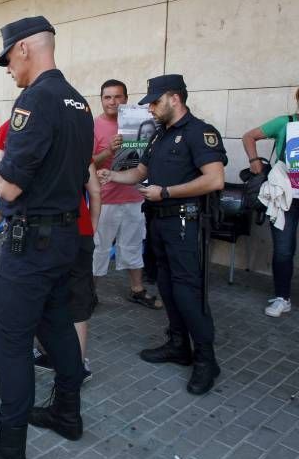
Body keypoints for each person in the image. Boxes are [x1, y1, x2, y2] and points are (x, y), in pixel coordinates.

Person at [0, 16, 94, 459]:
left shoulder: (35, 98)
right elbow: (58, 165)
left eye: (8, 58)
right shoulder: (77, 101)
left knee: (9, 341)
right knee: (55, 326)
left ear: (26, 50)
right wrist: (6, 159)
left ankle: (8, 453)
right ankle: (67, 413)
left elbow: (10, 187)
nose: (8, 68)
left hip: (30, 242)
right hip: (65, 238)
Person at [98, 74, 226, 396]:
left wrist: (167, 193)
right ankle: (179, 345)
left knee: (188, 293)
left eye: (155, 102)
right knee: (168, 288)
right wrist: (112, 174)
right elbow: (141, 172)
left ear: (174, 98)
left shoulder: (200, 133)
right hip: (159, 222)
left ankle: (206, 361)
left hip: (185, 222)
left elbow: (214, 180)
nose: (151, 109)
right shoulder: (158, 136)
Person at [0, 120, 100, 381]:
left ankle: (70, 369)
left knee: (38, 298)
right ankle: (74, 366)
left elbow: (8, 189)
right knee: (72, 302)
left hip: (39, 233)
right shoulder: (70, 129)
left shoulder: (13, 131)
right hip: (78, 229)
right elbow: (95, 190)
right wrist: (92, 226)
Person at [92, 79, 161, 309]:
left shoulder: (142, 122)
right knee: (99, 248)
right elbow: (85, 163)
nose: (113, 102)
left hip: (134, 196)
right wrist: (108, 151)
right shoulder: (92, 126)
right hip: (104, 199)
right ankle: (90, 294)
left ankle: (137, 289)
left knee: (132, 245)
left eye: (118, 96)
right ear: (101, 100)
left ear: (126, 99)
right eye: (107, 97)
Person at [241, 87, 299, 317]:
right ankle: (282, 298)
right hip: (286, 197)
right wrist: (254, 160)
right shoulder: (285, 122)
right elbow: (249, 136)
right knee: (284, 250)